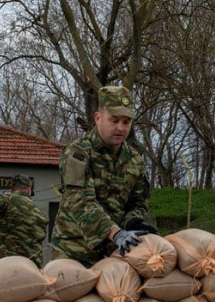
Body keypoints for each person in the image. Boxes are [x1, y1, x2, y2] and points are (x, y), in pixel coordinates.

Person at [50, 85, 157, 267]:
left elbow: (138, 202)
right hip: (73, 251)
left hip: (116, 253)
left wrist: (132, 222)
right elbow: (80, 201)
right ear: (98, 118)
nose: (121, 128)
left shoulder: (135, 160)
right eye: (114, 121)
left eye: (126, 122)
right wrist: (115, 233)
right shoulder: (78, 152)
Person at [0, 174, 49, 268]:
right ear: (29, 190)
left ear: (11, 190)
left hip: (5, 265)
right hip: (32, 266)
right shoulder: (41, 213)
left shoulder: (8, 200)